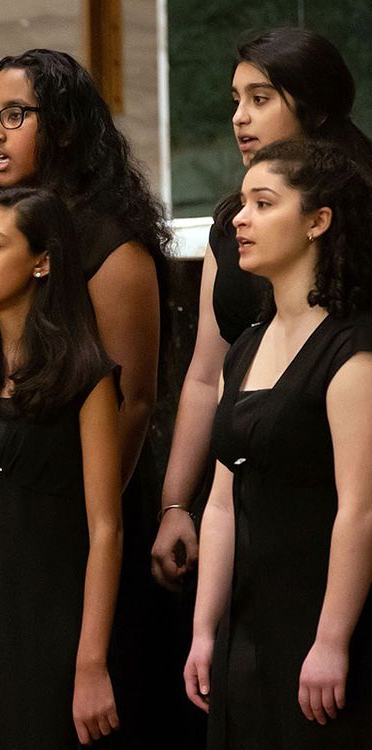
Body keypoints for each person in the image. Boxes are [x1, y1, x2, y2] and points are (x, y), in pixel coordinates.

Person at [0, 48, 171, 747]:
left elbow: (136, 400)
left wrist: (71, 526)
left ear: (59, 127)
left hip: (81, 516)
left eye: (15, 116)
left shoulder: (111, 247)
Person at [153, 27, 372, 592]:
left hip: (330, 477)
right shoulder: (231, 227)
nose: (239, 118)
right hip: (237, 477)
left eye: (260, 98)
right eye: (235, 101)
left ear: (315, 106)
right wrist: (177, 502)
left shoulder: (358, 217)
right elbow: (205, 373)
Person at [185, 139, 372, 748]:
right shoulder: (246, 346)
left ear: (318, 222)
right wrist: (205, 629)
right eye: (242, 204)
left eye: (263, 204)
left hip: (322, 627)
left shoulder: (353, 351)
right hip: (246, 627)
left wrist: (332, 639)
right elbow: (219, 503)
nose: (240, 219)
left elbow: (360, 510)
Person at [0, 188, 122, 748]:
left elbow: (106, 530)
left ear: (42, 261)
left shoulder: (88, 377)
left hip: (50, 618)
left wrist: (91, 663)